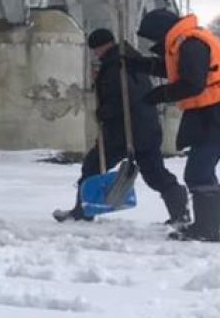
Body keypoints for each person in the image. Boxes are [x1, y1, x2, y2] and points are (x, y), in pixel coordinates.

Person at [125, 7, 220, 243]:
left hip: (216, 113)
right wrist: (139, 65)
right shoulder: (186, 41)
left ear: (161, 33)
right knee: (203, 171)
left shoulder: (191, 44)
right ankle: (212, 225)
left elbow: (192, 84)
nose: (153, 44)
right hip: (209, 112)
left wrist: (158, 94)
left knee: (198, 172)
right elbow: (175, 71)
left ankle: (207, 230)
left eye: (152, 39)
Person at [55, 27, 190, 225]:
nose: (95, 54)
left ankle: (83, 211)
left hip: (126, 131)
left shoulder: (116, 65)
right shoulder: (128, 60)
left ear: (102, 47)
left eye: (95, 50)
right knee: (155, 173)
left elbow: (125, 98)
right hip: (144, 129)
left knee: (93, 165)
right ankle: (180, 211)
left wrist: (104, 112)